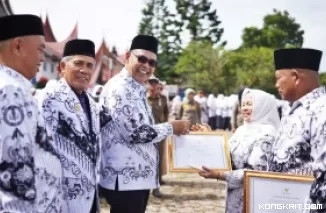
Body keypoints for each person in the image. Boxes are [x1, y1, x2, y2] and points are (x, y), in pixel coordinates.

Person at [99, 35, 190, 213]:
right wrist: (172, 127)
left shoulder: (136, 88)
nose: (146, 66)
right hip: (124, 179)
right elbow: (135, 134)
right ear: (127, 57)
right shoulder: (121, 88)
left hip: (136, 179)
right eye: (141, 59)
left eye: (152, 63)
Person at [0, 14, 62, 213]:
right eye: (40, 49)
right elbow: (14, 174)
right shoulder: (11, 91)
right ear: (18, 46)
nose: (43, 58)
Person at [38, 39, 107, 213]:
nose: (84, 70)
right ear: (62, 67)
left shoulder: (91, 102)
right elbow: (40, 150)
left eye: (90, 65)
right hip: (60, 197)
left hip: (89, 194)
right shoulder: (49, 98)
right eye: (78, 63)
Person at [199, 88, 280, 213]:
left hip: (254, 198)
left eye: (249, 104)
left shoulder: (267, 134)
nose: (244, 108)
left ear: (262, 107)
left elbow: (255, 172)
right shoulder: (241, 130)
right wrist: (208, 137)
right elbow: (227, 155)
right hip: (234, 196)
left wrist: (219, 175)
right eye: (243, 104)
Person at [267, 48, 326, 212]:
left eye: (278, 78)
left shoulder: (321, 110)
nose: (276, 84)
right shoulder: (291, 108)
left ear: (296, 77)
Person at [146, 75, 169, 198]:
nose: (153, 85)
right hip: (145, 134)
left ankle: (156, 187)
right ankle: (144, 187)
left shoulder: (163, 99)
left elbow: (166, 114)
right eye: (151, 82)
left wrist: (166, 129)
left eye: (155, 82)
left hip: (159, 133)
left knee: (158, 160)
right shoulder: (142, 98)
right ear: (147, 84)